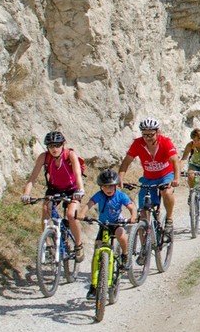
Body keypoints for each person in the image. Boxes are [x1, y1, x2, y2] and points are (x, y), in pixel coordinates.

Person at [21, 131, 85, 262]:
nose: (54, 149)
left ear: (63, 145)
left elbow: (78, 174)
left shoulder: (70, 155)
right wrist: (26, 194)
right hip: (54, 189)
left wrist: (81, 190)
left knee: (71, 215)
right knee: (45, 210)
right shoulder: (44, 157)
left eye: (57, 145)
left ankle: (79, 246)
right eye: (50, 146)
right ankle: (49, 245)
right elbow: (32, 178)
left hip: (72, 189)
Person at [118, 117, 182, 232]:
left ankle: (169, 218)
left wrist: (176, 178)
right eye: (144, 135)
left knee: (167, 192)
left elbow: (175, 160)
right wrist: (120, 178)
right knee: (143, 211)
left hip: (165, 175)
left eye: (150, 135)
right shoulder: (138, 143)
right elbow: (126, 161)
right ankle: (144, 244)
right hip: (149, 178)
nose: (147, 138)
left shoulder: (165, 142)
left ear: (157, 132)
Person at [81, 169, 137, 300]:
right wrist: (82, 214)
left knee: (121, 235)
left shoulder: (120, 195)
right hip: (103, 224)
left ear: (116, 185)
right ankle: (93, 285)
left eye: (111, 186)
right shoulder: (99, 195)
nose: (108, 189)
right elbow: (89, 204)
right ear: (101, 187)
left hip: (116, 223)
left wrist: (133, 216)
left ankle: (124, 255)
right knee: (97, 252)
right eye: (105, 186)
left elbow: (131, 207)